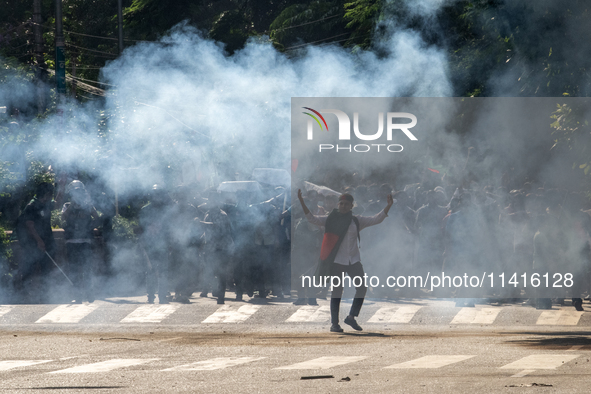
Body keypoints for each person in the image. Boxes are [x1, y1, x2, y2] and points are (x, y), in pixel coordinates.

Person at [297, 189, 393, 333]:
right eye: (341, 204)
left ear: (351, 206)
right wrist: (301, 202)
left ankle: (351, 317)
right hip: (337, 261)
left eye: (346, 204)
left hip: (353, 260)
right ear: (338, 205)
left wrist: (389, 205)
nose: (343, 206)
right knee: (337, 291)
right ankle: (334, 324)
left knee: (362, 288)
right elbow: (312, 219)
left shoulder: (356, 220)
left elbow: (376, 219)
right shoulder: (329, 219)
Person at [61, 181, 99, 303]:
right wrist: (72, 205)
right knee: (73, 269)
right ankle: (77, 295)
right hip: (71, 241)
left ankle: (89, 293)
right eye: (75, 192)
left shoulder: (88, 205)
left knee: (87, 268)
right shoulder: (67, 205)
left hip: (85, 241)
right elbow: (62, 218)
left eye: (79, 192)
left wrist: (89, 227)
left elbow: (97, 218)